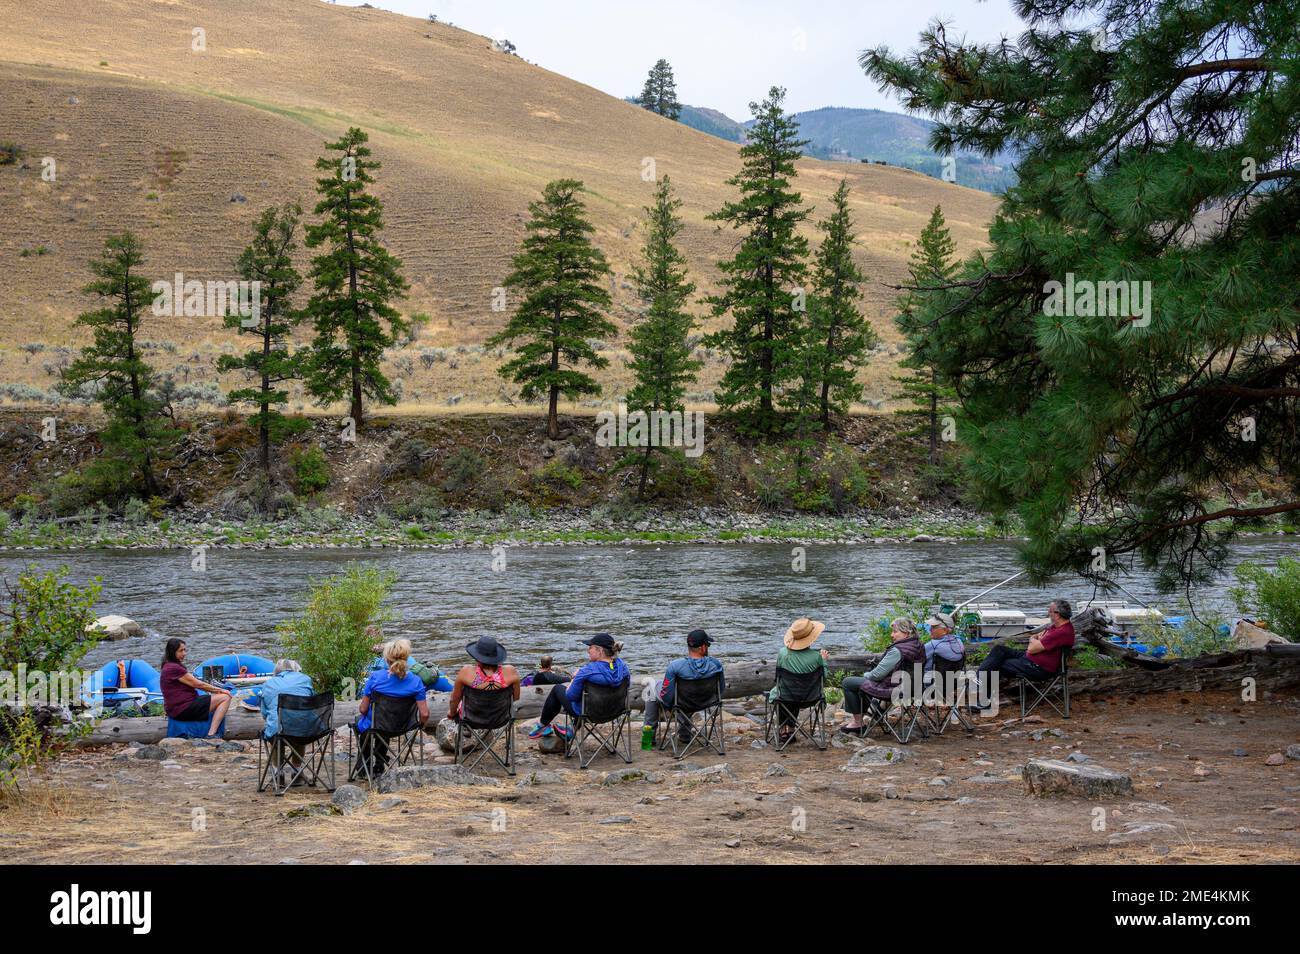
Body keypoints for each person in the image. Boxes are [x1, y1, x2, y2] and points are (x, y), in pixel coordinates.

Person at [975, 599, 1076, 709]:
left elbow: (1032, 648)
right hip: (1030, 660)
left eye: (1050, 611)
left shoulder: (1061, 632)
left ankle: (982, 696)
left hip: (1038, 668)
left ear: (1058, 614)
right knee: (999, 650)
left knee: (996, 664)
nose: (1048, 613)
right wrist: (1036, 640)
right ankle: (979, 678)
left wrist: (1035, 640)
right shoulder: (1055, 626)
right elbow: (1036, 637)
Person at [528, 633, 629, 740]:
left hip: (589, 714)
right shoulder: (623, 667)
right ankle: (571, 729)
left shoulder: (586, 671)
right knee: (584, 699)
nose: (588, 650)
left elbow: (571, 696)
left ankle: (543, 726)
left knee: (558, 689)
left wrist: (574, 680)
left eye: (590, 647)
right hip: (616, 712)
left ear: (600, 651)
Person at [838, 617, 925, 735]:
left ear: (906, 633)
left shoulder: (898, 650)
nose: (892, 635)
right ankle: (871, 712)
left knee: (849, 682)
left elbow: (876, 675)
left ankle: (858, 723)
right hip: (914, 688)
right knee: (863, 684)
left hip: (895, 690)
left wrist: (865, 674)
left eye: (895, 632)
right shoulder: (918, 645)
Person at [354, 639, 430, 772]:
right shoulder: (416, 681)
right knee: (384, 725)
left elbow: (363, 709)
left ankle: (364, 765)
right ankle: (379, 763)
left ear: (386, 658)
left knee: (368, 724)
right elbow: (424, 714)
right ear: (406, 657)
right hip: (402, 726)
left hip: (377, 725)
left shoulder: (375, 678)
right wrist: (420, 725)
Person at [644, 629, 725, 744]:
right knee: (683, 697)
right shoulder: (716, 665)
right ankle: (685, 735)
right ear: (702, 647)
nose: (708, 647)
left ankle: (647, 739)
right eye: (708, 645)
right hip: (706, 702)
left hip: (683, 702)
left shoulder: (675, 666)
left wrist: (670, 706)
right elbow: (721, 691)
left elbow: (666, 697)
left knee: (650, 689)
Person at [769, 618, 829, 744]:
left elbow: (778, 677)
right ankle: (791, 730)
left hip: (786, 696)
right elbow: (825, 678)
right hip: (811, 697)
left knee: (783, 694)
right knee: (798, 692)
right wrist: (824, 660)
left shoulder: (783, 653)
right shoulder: (816, 656)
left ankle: (782, 730)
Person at [159, 638, 232, 739]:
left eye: (185, 650)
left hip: (176, 707)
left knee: (211, 697)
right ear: (172, 652)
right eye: (181, 651)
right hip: (183, 709)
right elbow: (199, 684)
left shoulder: (168, 665)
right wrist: (220, 690)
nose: (184, 653)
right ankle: (211, 734)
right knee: (225, 697)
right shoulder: (174, 668)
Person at [446, 636, 521, 720]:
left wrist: (452, 713)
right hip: (500, 719)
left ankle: (468, 731)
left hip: (471, 719)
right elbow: (516, 697)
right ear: (496, 656)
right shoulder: (511, 672)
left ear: (477, 656)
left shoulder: (465, 672)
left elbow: (454, 699)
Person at [258, 659, 315, 739]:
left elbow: (264, 714)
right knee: (301, 726)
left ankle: (278, 751)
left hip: (278, 732)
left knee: (274, 729)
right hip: (307, 731)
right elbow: (313, 703)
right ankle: (297, 751)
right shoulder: (306, 679)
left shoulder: (268, 684)